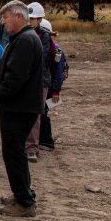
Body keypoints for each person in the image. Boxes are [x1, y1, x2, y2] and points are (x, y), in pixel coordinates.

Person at [0, 0, 44, 217]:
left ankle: (24, 203)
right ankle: (22, 193)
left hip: (19, 107)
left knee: (13, 154)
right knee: (16, 154)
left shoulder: (25, 41)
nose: (3, 22)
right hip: (21, 106)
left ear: (19, 17)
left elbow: (16, 78)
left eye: (6, 18)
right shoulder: (24, 38)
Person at [25, 2, 53, 163]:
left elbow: (38, 57)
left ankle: (31, 148)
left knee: (35, 115)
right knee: (22, 114)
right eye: (28, 18)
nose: (30, 21)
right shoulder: (20, 34)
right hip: (24, 80)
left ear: (39, 19)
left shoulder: (45, 37)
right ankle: (21, 144)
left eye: (33, 19)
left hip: (40, 81)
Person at [38, 19, 65, 151]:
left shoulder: (56, 51)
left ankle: (46, 141)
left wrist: (55, 91)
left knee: (43, 113)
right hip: (45, 85)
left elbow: (58, 73)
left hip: (49, 88)